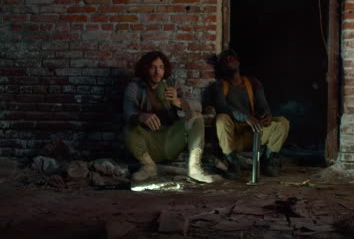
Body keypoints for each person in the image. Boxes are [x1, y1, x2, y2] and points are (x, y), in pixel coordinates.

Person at [123, 51, 222, 183]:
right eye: (153, 67)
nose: (157, 72)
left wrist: (178, 101)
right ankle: (148, 166)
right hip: (149, 141)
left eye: (161, 67)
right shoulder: (135, 87)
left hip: (170, 138)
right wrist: (142, 116)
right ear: (145, 68)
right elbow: (127, 112)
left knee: (197, 118)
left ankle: (194, 169)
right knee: (128, 127)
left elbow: (196, 108)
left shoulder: (170, 84)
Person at [212, 49, 290, 178]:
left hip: (253, 133)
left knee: (282, 122)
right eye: (225, 59)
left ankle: (268, 160)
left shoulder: (253, 83)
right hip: (232, 135)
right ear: (221, 67)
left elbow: (264, 106)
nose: (229, 59)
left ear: (238, 61)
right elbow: (222, 108)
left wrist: (267, 116)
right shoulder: (219, 85)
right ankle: (232, 162)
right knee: (221, 118)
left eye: (232, 57)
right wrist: (246, 117)